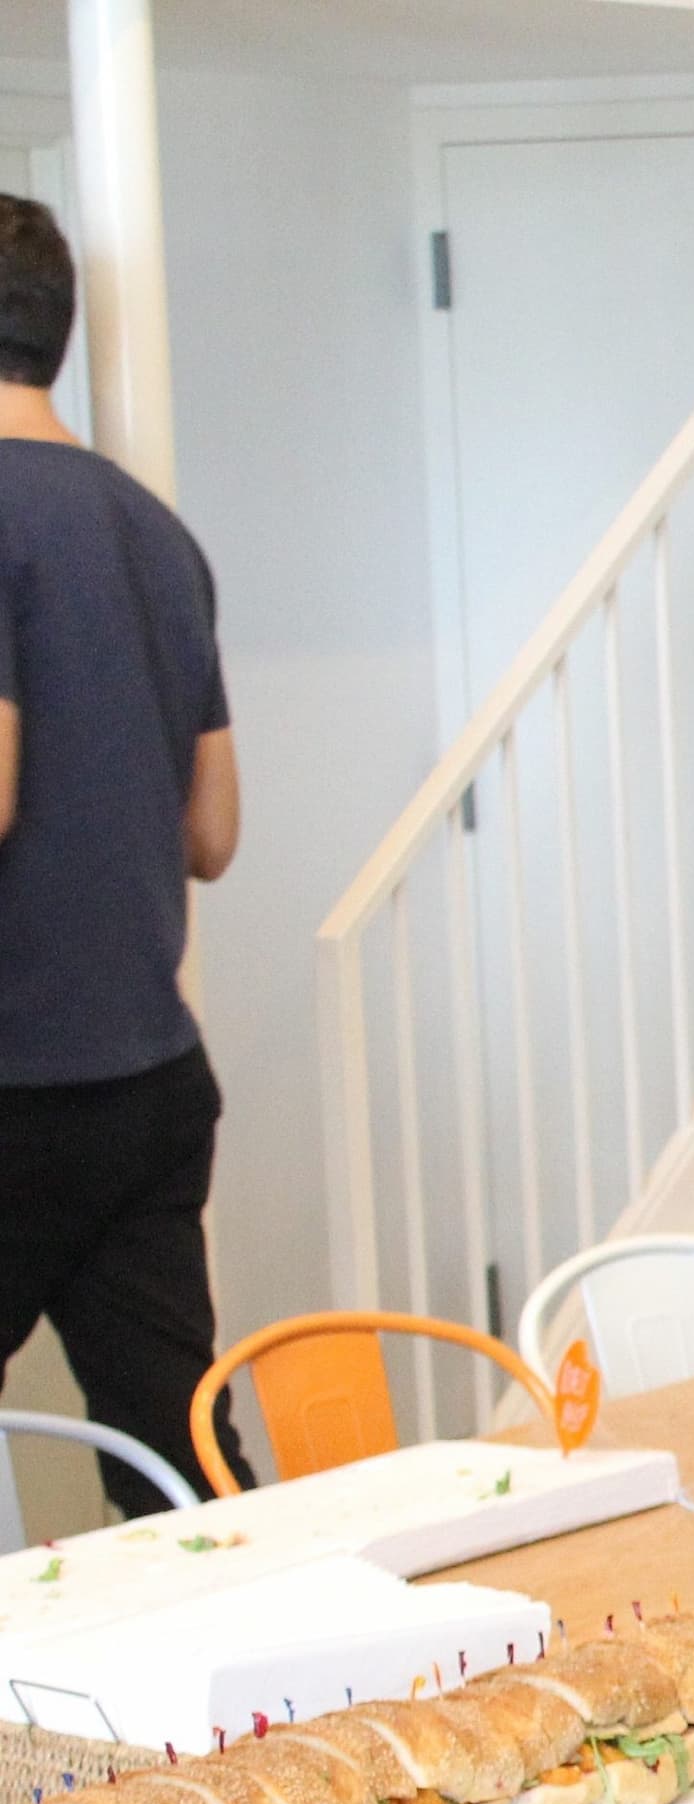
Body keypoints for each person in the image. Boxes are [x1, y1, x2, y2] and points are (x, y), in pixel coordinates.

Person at [0, 194, 246, 1508]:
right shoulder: (157, 533)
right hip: (149, 1085)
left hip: (15, 1079)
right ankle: (272, 1711)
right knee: (178, 1463)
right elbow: (214, 832)